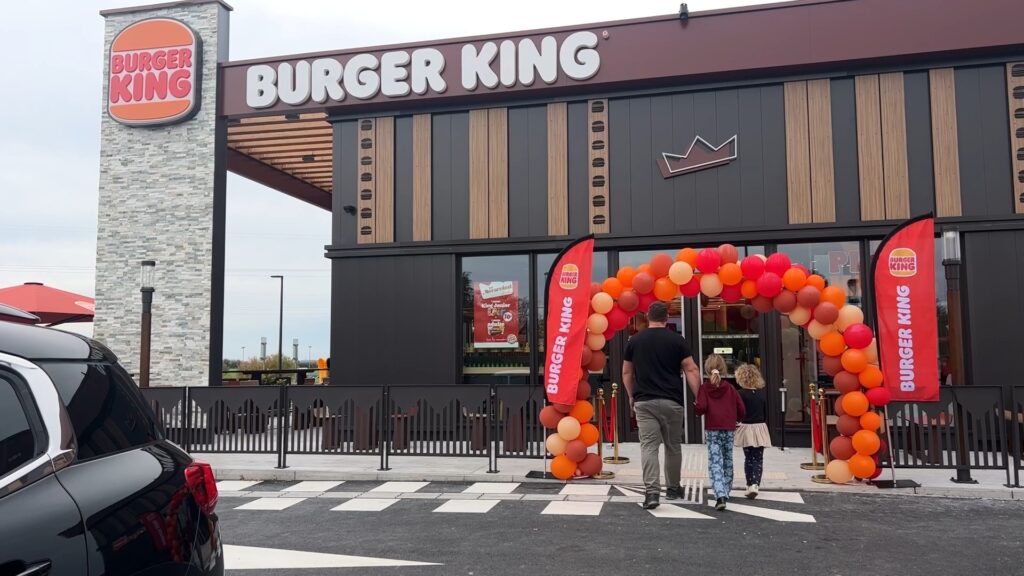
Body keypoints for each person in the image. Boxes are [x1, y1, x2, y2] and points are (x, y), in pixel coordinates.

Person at [622, 301, 702, 510]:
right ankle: (674, 488)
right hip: (672, 402)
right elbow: (691, 369)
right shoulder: (677, 340)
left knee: (648, 447)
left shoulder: (635, 340)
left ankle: (652, 493)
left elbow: (627, 372)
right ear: (667, 318)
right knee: (672, 446)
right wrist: (699, 396)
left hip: (645, 402)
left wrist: (632, 396)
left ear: (648, 317)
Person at [694, 354, 745, 510]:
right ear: (723, 370)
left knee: (715, 462)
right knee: (727, 460)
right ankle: (726, 489)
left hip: (712, 429)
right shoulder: (730, 388)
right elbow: (741, 408)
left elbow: (701, 407)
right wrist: (737, 419)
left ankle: (720, 494)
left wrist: (695, 406)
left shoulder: (704, 388)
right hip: (729, 428)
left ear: (707, 370)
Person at [734, 363, 771, 499]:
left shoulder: (740, 394)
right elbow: (765, 412)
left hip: (746, 427)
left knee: (748, 457)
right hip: (760, 427)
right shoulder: (761, 394)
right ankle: (756, 483)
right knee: (758, 458)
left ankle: (749, 483)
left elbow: (738, 412)